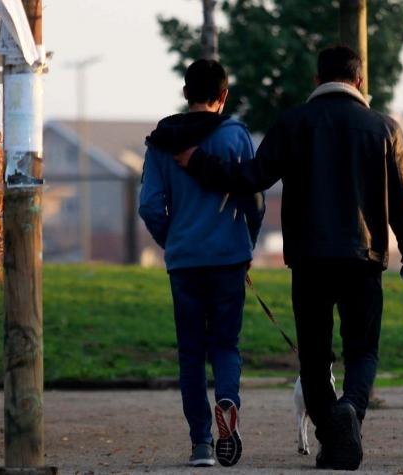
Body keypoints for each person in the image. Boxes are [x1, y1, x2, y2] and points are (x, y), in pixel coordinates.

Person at [174, 45, 403, 471]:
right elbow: (402, 197)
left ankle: (332, 436)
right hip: (364, 259)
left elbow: (250, 178)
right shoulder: (384, 128)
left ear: (316, 80)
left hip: (309, 260)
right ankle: (351, 413)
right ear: (360, 81)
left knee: (314, 356)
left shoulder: (293, 124)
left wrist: (198, 162)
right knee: (362, 351)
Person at [138, 59, 264, 468]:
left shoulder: (162, 140)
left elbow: (149, 206)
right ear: (223, 96)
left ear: (185, 93)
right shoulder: (235, 135)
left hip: (185, 262)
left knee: (191, 353)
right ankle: (227, 401)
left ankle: (201, 445)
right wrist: (248, 243)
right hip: (229, 256)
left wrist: (172, 240)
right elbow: (254, 198)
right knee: (226, 344)